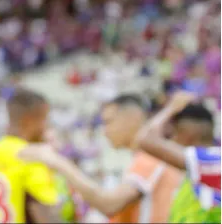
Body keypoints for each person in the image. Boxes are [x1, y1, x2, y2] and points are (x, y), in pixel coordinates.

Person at [19, 94, 182, 223]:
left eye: (108, 122)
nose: (104, 131)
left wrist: (56, 161)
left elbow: (109, 204)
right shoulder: (144, 158)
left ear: (132, 119)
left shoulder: (148, 159)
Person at [135, 91, 220, 223]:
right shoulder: (200, 171)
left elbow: (145, 139)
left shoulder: (211, 162)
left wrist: (171, 108)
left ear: (189, 133)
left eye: (175, 133)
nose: (172, 140)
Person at [0, 89, 65, 223]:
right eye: (45, 119)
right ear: (29, 121)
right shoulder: (31, 155)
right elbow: (46, 215)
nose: (47, 126)